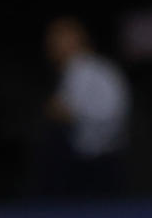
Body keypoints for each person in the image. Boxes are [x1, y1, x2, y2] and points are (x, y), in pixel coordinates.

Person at [35, 16, 129, 196]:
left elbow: (109, 112)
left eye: (58, 39)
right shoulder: (78, 70)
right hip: (91, 159)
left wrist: (66, 113)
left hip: (98, 161)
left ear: (76, 39)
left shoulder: (86, 69)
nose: (51, 46)